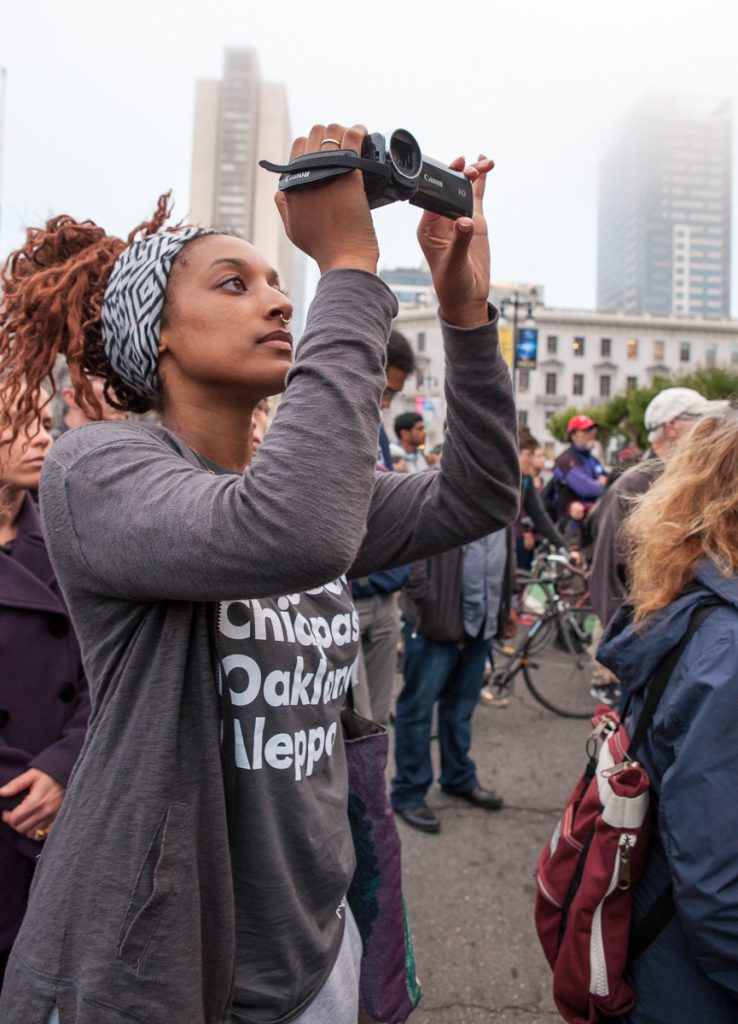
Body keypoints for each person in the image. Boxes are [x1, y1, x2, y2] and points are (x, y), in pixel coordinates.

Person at [0, 122, 519, 1024]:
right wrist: (350, 267)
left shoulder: (295, 488)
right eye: (234, 285)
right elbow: (294, 532)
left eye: (283, 283)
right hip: (167, 972)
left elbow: (479, 494)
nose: (280, 304)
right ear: (153, 337)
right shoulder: (100, 471)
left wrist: (465, 313)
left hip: (315, 954)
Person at [597, 408, 738, 1024]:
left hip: (659, 945)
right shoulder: (727, 649)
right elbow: (717, 884)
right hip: (691, 974)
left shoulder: (688, 599)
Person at [0, 390, 89, 991]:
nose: (41, 437)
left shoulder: (70, 528)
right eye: (17, 422)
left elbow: (109, 669)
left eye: (44, 420)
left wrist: (63, 765)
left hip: (72, 807)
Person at [589, 387, 726, 705]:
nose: (710, 430)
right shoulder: (635, 484)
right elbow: (606, 577)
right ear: (673, 426)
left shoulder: (701, 482)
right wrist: (634, 647)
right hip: (654, 648)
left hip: (694, 648)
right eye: (701, 421)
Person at [392, 526, 511, 832]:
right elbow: (410, 550)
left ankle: (458, 778)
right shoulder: (437, 487)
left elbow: (505, 559)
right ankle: (408, 793)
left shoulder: (503, 499)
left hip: (479, 626)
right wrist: (426, 601)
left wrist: (503, 610)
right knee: (417, 713)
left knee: (460, 711)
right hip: (435, 627)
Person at [350, 329, 416, 725]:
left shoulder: (379, 434)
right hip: (346, 599)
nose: (384, 404)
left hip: (383, 598)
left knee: (373, 729)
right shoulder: (322, 424)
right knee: (338, 732)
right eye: (383, 391)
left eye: (392, 396)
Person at [550, 414, 607, 545]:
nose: (591, 433)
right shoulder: (565, 460)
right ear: (573, 435)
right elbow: (586, 489)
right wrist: (600, 483)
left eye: (592, 429)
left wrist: (601, 484)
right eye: (586, 430)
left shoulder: (594, 460)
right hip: (571, 526)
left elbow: (609, 484)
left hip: (592, 523)